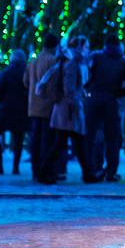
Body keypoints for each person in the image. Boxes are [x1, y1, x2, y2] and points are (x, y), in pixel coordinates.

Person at [40, 35, 93, 184]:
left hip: (67, 108)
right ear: (79, 47)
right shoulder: (72, 62)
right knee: (63, 143)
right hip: (68, 109)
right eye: (86, 47)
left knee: (70, 142)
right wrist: (75, 104)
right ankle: (45, 172)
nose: (87, 50)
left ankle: (87, 173)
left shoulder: (71, 60)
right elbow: (69, 88)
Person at [84, 33, 125, 182]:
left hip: (94, 100)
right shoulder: (124, 62)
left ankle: (93, 168)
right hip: (111, 101)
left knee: (92, 136)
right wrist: (118, 93)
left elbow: (87, 76)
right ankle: (111, 171)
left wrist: (89, 89)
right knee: (113, 138)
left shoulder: (96, 57)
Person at [25, 33, 61, 182]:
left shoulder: (33, 61)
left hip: (33, 105)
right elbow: (54, 83)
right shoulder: (53, 61)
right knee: (46, 140)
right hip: (47, 106)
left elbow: (25, 81)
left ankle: (35, 170)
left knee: (35, 139)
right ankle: (43, 171)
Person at [0, 49, 29, 175]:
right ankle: (16, 167)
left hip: (4, 111)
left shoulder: (6, 72)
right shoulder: (27, 73)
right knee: (19, 139)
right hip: (22, 112)